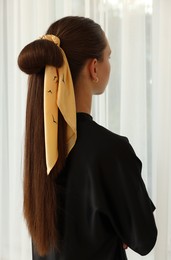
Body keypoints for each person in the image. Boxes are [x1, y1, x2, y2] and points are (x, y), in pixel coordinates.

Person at [18, 16, 157, 260]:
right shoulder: (112, 150)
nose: (109, 64)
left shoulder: (39, 149)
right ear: (94, 68)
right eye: (109, 57)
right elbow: (144, 239)